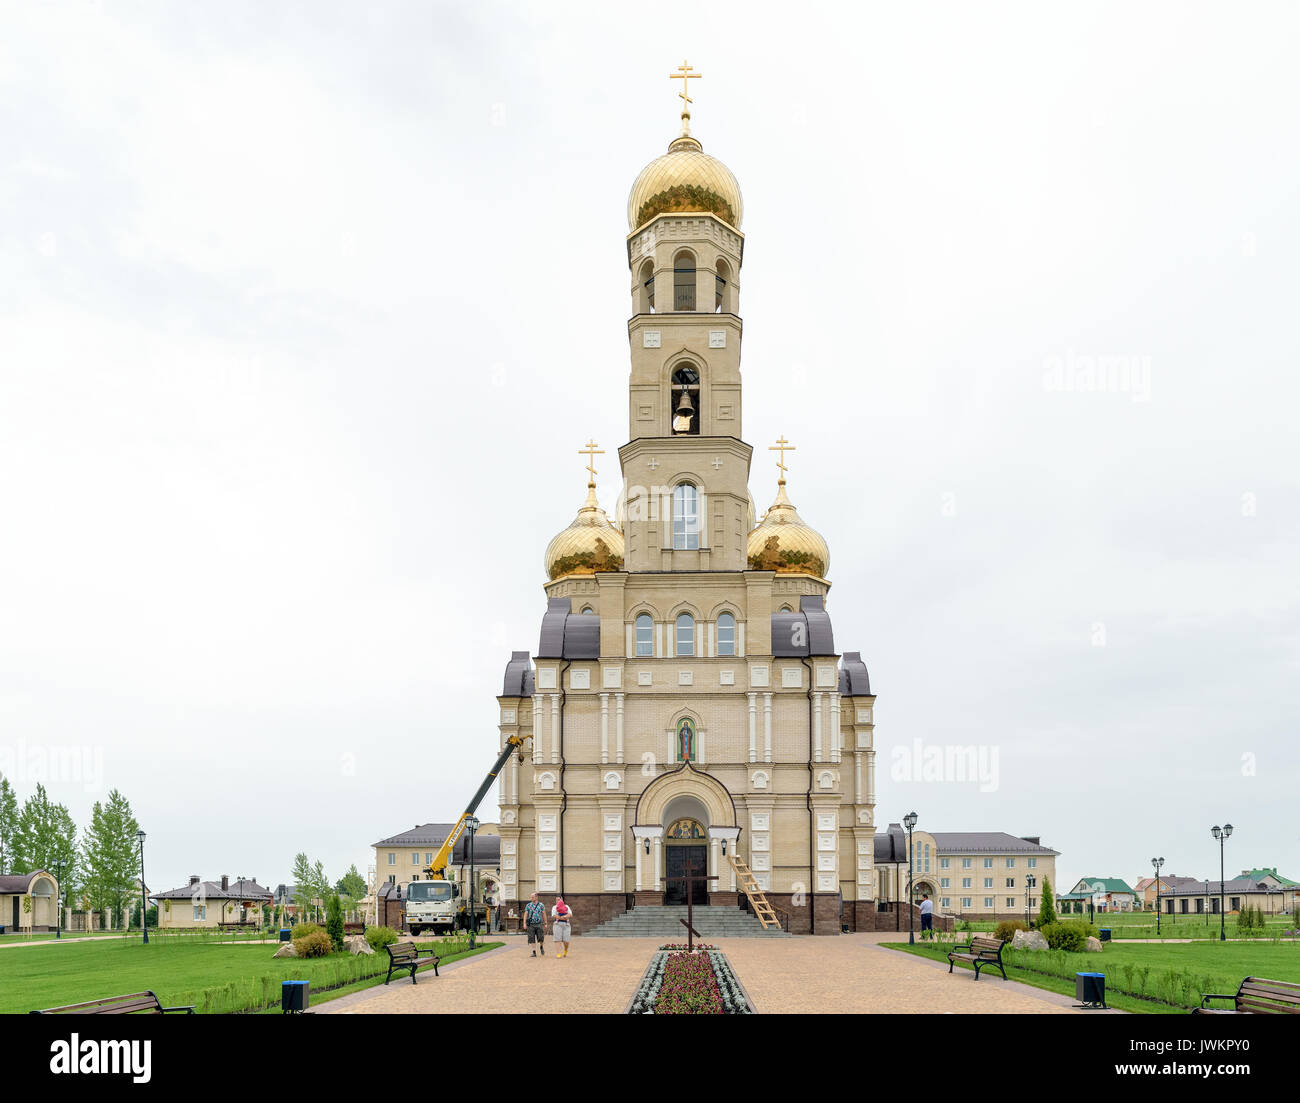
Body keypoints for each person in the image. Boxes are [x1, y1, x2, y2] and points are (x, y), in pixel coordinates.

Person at [523, 892, 547, 957]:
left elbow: (544, 914)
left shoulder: (541, 905)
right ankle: (534, 952)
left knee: (541, 938)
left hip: (539, 924)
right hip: (531, 924)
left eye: (533, 897)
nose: (531, 898)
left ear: (536, 897)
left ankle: (541, 947)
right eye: (531, 897)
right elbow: (525, 914)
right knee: (531, 938)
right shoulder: (528, 905)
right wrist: (524, 923)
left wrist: (545, 923)